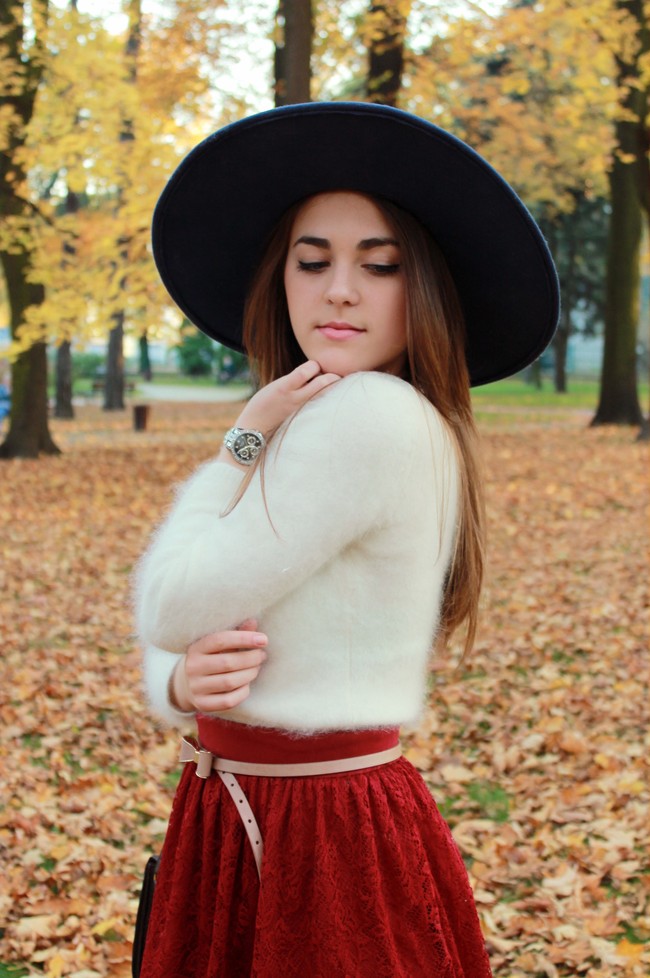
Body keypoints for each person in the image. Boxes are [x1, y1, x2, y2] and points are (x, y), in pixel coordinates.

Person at [135, 102, 559, 978]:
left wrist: (240, 441)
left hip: (314, 831)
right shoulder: (372, 413)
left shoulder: (367, 416)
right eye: (313, 260)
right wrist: (179, 682)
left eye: (380, 264)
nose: (338, 290)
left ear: (422, 286)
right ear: (280, 277)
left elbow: (171, 605)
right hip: (280, 808)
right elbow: (190, 634)